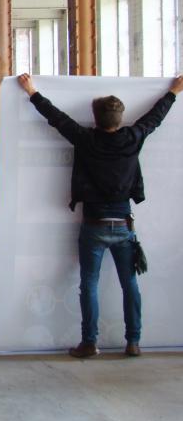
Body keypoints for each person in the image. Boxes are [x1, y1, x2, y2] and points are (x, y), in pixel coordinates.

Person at [18, 72, 183, 359]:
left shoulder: (85, 139)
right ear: (121, 118)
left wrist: (32, 92)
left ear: (95, 119)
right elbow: (153, 119)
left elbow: (57, 118)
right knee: (129, 285)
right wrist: (173, 92)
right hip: (124, 224)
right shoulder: (133, 138)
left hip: (93, 225)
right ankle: (133, 342)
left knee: (89, 285)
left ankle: (89, 343)